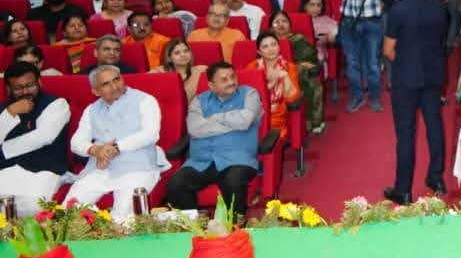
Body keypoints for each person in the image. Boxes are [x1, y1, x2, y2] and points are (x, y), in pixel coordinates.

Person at [381, 0, 448, 202]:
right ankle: (436, 178)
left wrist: (405, 61)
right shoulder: (438, 7)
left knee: (406, 133)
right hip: (433, 75)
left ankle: (404, 190)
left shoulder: (398, 10)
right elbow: (441, 42)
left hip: (406, 79)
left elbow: (388, 50)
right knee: (435, 127)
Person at [67, 65, 168, 222]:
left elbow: (150, 134)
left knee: (122, 218)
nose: (115, 86)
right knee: (69, 211)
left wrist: (115, 148)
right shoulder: (92, 109)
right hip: (100, 168)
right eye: (106, 84)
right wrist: (95, 150)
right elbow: (76, 142)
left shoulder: (145, 100)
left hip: (137, 167)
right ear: (96, 91)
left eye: (117, 79)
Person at [165, 62, 263, 219]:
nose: (231, 82)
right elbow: (194, 129)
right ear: (211, 85)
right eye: (224, 79)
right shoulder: (199, 101)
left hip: (237, 159)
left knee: (232, 182)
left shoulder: (249, 94)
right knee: (176, 183)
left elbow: (245, 120)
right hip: (202, 161)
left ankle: (235, 228)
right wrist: (232, 123)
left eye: (233, 76)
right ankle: (192, 226)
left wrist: (213, 119)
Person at [0, 61, 72, 217]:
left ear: (39, 82)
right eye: (18, 88)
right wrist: (10, 113)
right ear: (8, 89)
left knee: (34, 204)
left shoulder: (57, 104)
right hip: (7, 169)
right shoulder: (5, 109)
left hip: (44, 168)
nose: (25, 91)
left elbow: (42, 137)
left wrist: (3, 150)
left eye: (30, 85)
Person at [328, 0, 388, 113]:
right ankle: (357, 97)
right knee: (352, 63)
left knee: (372, 63)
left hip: (371, 22)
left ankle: (374, 97)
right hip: (349, 23)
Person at [246, 33, 300, 133]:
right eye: (265, 46)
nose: (271, 49)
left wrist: (285, 77)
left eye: (273, 44)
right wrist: (271, 84)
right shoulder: (252, 68)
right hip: (255, 115)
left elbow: (292, 98)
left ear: (279, 47)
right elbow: (249, 97)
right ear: (259, 52)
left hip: (278, 116)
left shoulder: (289, 67)